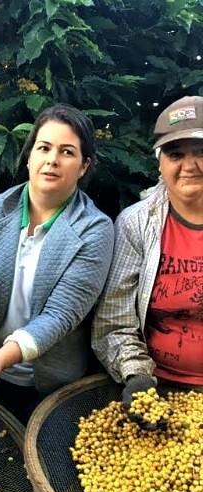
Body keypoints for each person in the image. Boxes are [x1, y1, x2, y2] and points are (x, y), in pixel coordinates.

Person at [0, 104, 114, 424]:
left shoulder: (94, 229)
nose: (52, 160)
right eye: (43, 148)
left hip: (53, 389)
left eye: (67, 152)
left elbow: (60, 315)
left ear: (84, 166)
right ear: (29, 156)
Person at [92, 96, 203, 422]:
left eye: (200, 152)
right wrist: (138, 376)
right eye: (176, 154)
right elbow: (115, 321)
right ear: (160, 163)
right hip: (158, 387)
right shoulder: (137, 224)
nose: (190, 165)